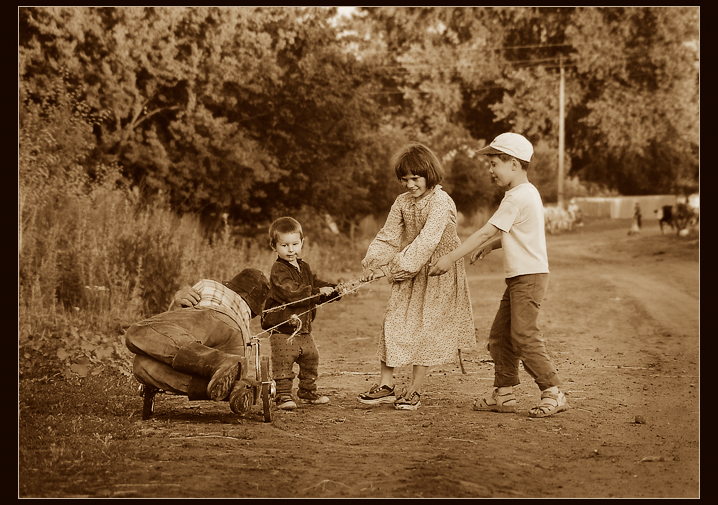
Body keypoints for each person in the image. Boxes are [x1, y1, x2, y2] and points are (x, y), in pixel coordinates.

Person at [429, 132, 569, 418]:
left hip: (528, 278)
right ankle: (503, 395)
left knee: (523, 336)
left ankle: (553, 391)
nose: (490, 170)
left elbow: (486, 230)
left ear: (514, 164)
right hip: (522, 277)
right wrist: (492, 247)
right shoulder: (524, 194)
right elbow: (515, 234)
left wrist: (450, 258)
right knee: (500, 337)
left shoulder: (517, 197)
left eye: (495, 164)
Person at [357, 142, 476, 411]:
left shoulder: (441, 202)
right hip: (409, 267)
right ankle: (386, 385)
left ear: (430, 174)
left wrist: (396, 268)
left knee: (426, 328)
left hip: (437, 270)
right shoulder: (402, 202)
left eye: (415, 178)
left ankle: (414, 389)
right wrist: (373, 262)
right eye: (405, 179)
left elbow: (428, 240)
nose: (410, 184)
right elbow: (388, 236)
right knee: (394, 320)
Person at [124, 268, 270, 414]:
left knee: (137, 333)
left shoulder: (209, 285)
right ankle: (235, 388)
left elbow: (168, 325)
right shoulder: (246, 319)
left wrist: (178, 299)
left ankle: (218, 362)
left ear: (230, 285)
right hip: (238, 345)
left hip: (210, 317)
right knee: (141, 364)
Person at [262, 216, 341, 411]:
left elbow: (314, 285)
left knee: (311, 358)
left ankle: (307, 391)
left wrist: (334, 290)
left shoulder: (303, 267)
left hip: (303, 328)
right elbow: (293, 292)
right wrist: (316, 293)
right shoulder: (278, 270)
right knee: (283, 363)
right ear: (274, 247)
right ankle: (282, 395)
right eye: (284, 245)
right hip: (283, 329)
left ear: (302, 243)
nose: (291, 250)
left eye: (295, 244)